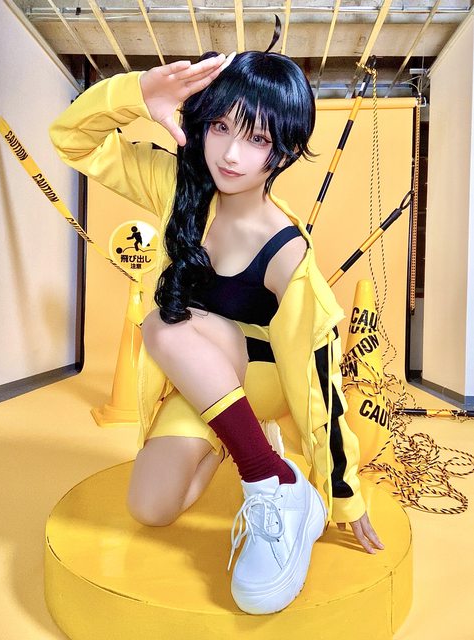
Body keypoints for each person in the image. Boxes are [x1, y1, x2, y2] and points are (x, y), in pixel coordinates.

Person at [49, 49, 384, 615]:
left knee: (164, 321)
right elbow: (71, 140)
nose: (230, 153)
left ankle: (271, 478)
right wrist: (137, 94)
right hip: (201, 376)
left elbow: (317, 380)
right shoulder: (179, 186)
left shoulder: (287, 252)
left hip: (262, 379)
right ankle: (248, 443)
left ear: (284, 151)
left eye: (256, 139)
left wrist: (344, 492)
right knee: (151, 508)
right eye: (221, 127)